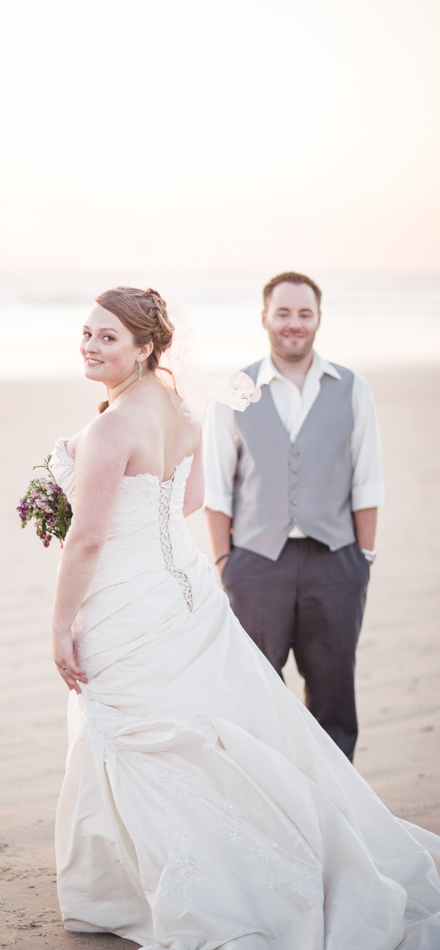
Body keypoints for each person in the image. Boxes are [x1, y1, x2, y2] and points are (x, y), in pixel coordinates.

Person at [47, 285, 440, 950]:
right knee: (196, 725)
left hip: (128, 601)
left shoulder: (111, 427)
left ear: (145, 347)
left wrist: (59, 622)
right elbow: (191, 498)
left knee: (141, 733)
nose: (89, 344)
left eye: (107, 336)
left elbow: (86, 541)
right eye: (86, 332)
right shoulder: (176, 407)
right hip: (183, 593)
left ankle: (176, 885)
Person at [204, 271, 382, 762]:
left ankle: (338, 808)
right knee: (258, 694)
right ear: (265, 317)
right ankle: (276, 805)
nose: (294, 324)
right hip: (257, 564)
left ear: (319, 319)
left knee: (334, 695)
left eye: (304, 314)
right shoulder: (237, 388)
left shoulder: (351, 387)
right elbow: (217, 490)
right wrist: (225, 562)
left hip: (336, 561)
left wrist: (362, 560)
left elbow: (368, 481)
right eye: (283, 313)